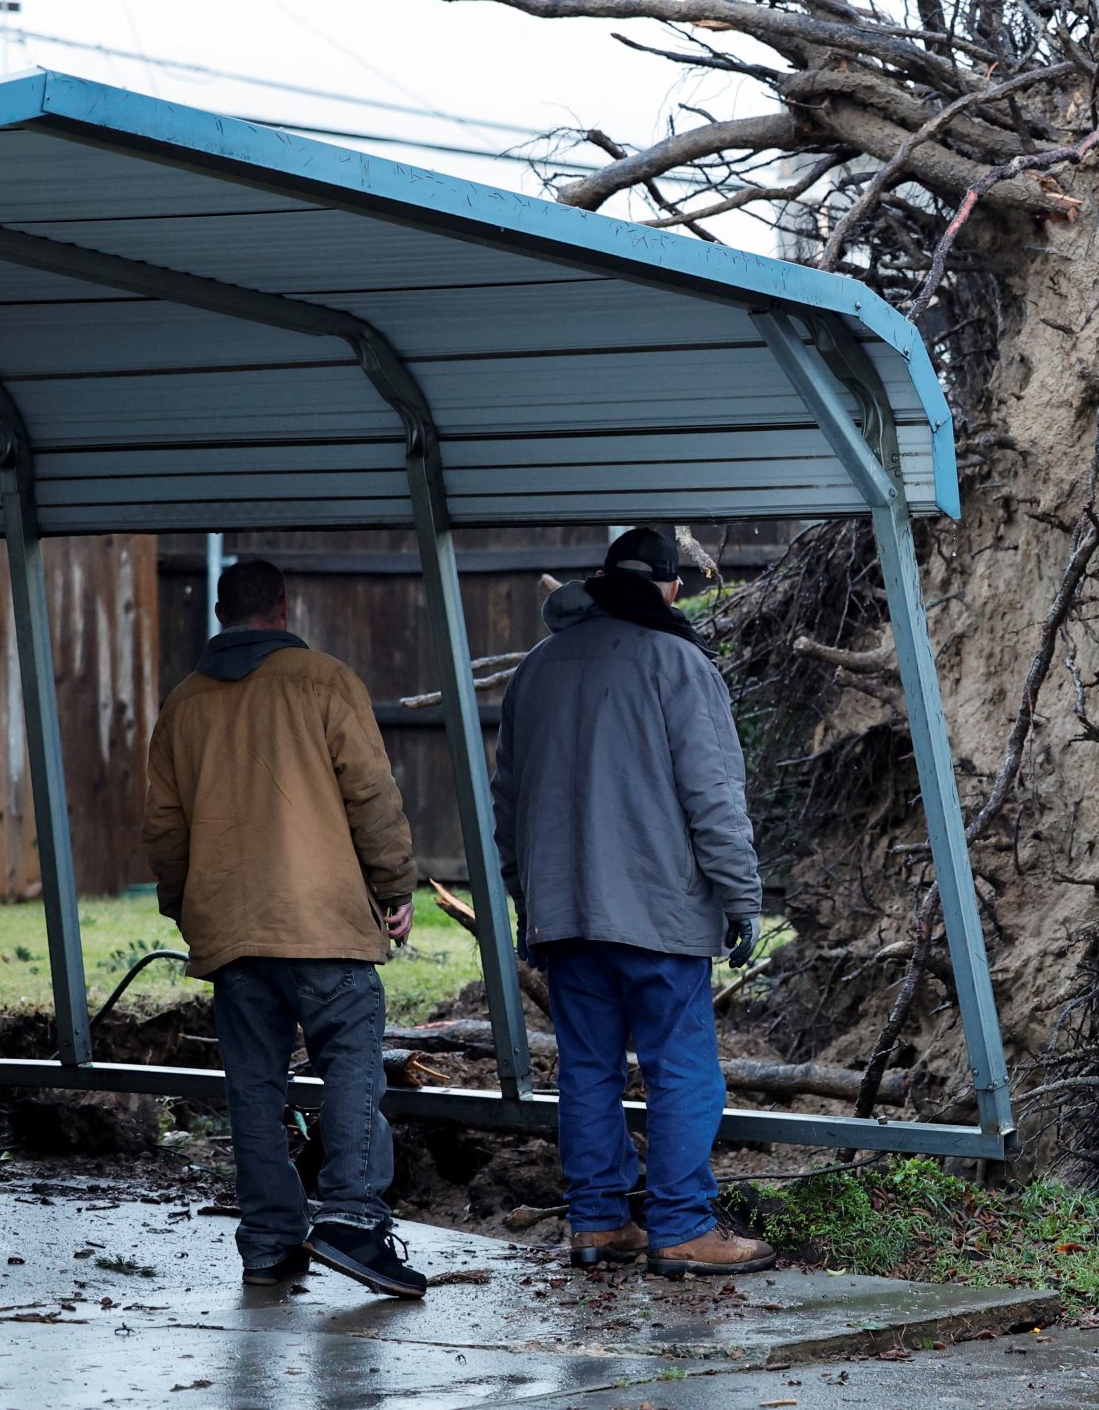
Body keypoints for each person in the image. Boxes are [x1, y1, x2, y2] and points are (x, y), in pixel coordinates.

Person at [143, 559, 426, 1298]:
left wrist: (189, 904)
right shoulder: (324, 680)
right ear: (282, 608)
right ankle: (352, 1221)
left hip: (232, 930)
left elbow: (165, 830)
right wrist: (395, 887)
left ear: (217, 611)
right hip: (324, 922)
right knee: (352, 1063)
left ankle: (269, 1239)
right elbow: (371, 794)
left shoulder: (183, 705)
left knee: (254, 1088)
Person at [493, 526, 772, 1275]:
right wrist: (742, 898)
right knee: (683, 1070)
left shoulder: (538, 668)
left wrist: (529, 897)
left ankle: (597, 1222)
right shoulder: (679, 663)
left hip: (565, 916)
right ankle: (680, 1224)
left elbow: (508, 805)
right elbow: (713, 797)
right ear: (673, 588)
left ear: (600, 576)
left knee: (588, 1068)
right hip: (658, 915)